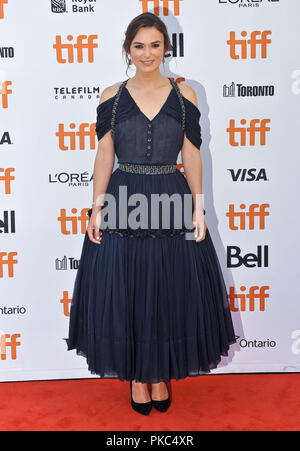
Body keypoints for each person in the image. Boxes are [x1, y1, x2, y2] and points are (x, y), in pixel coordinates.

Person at [64, 12, 236, 416]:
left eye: (155, 45)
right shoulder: (111, 95)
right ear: (128, 49)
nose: (147, 53)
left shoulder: (185, 94)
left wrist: (197, 206)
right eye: (139, 46)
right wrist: (96, 209)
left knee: (167, 291)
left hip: (171, 201)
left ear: (166, 48)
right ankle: (138, 379)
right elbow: (104, 155)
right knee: (129, 292)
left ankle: (159, 374)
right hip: (124, 202)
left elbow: (192, 154)